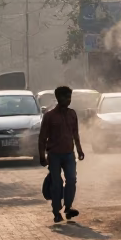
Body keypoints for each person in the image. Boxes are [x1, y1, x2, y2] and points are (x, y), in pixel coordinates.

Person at [38, 85, 85, 223]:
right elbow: (42, 138)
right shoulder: (49, 116)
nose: (68, 100)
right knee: (57, 183)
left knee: (71, 180)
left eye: (69, 97)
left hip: (69, 154)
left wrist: (79, 149)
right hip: (54, 155)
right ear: (58, 98)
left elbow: (75, 134)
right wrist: (42, 156)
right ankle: (56, 211)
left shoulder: (72, 114)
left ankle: (68, 207)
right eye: (65, 97)